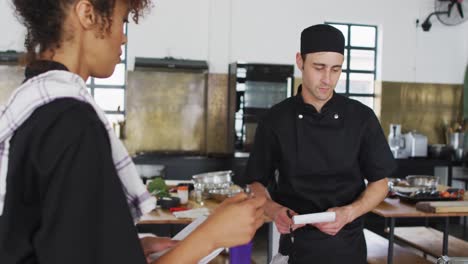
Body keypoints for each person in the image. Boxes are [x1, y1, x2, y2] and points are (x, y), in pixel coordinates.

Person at [0, 0, 265, 263]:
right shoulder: (72, 123)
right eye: (123, 21)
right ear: (87, 14)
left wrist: (125, 248)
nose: (123, 38)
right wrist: (211, 236)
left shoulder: (34, 103)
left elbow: (50, 241)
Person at [244, 24, 396, 264]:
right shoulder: (276, 120)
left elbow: (380, 184)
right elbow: (255, 183)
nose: (327, 79)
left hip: (347, 246)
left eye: (336, 69)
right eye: (319, 67)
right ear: (300, 61)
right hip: (295, 245)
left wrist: (348, 213)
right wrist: (273, 210)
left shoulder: (361, 118)